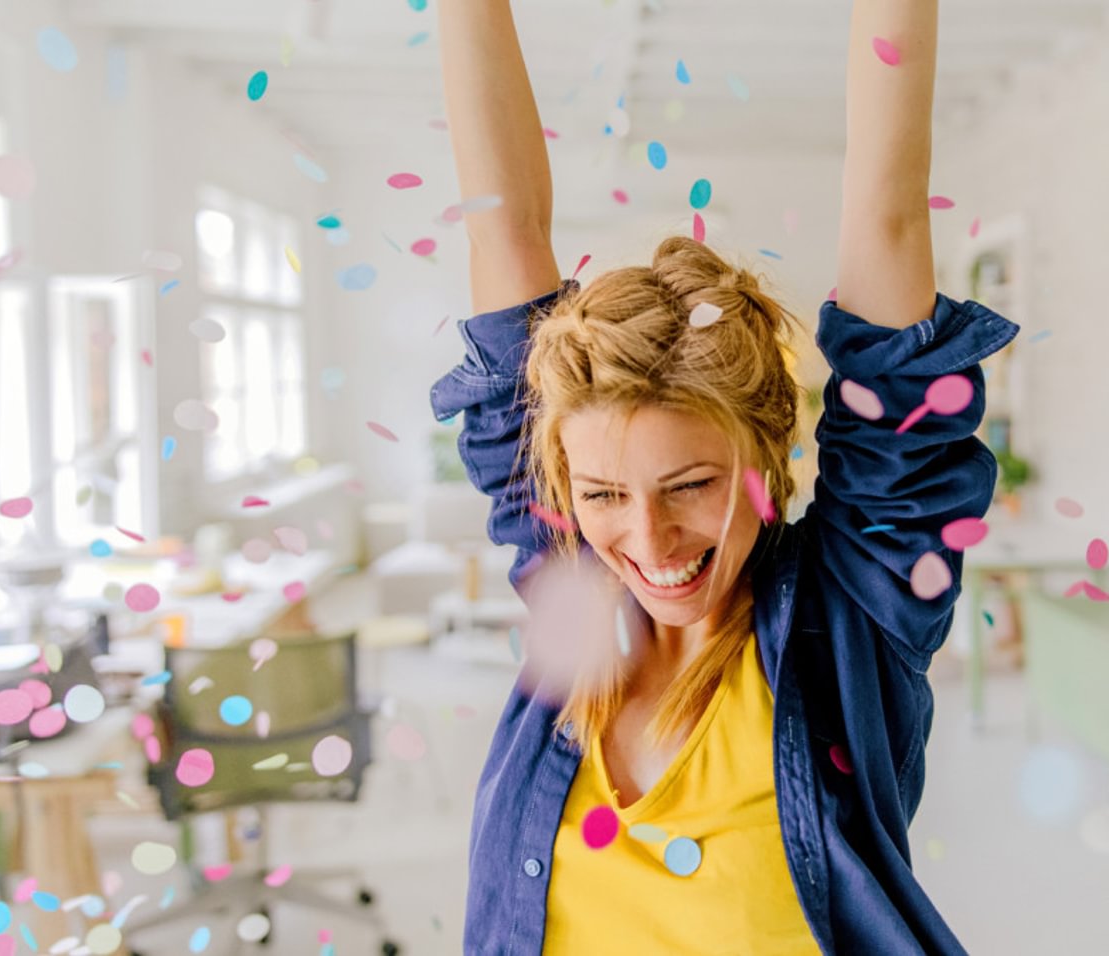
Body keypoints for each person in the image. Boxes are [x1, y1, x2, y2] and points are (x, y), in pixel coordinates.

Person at [430, 2, 1017, 952]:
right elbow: (506, 230)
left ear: (767, 456)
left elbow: (889, 215)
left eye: (691, 484)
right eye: (604, 496)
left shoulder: (850, 622)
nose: (649, 544)